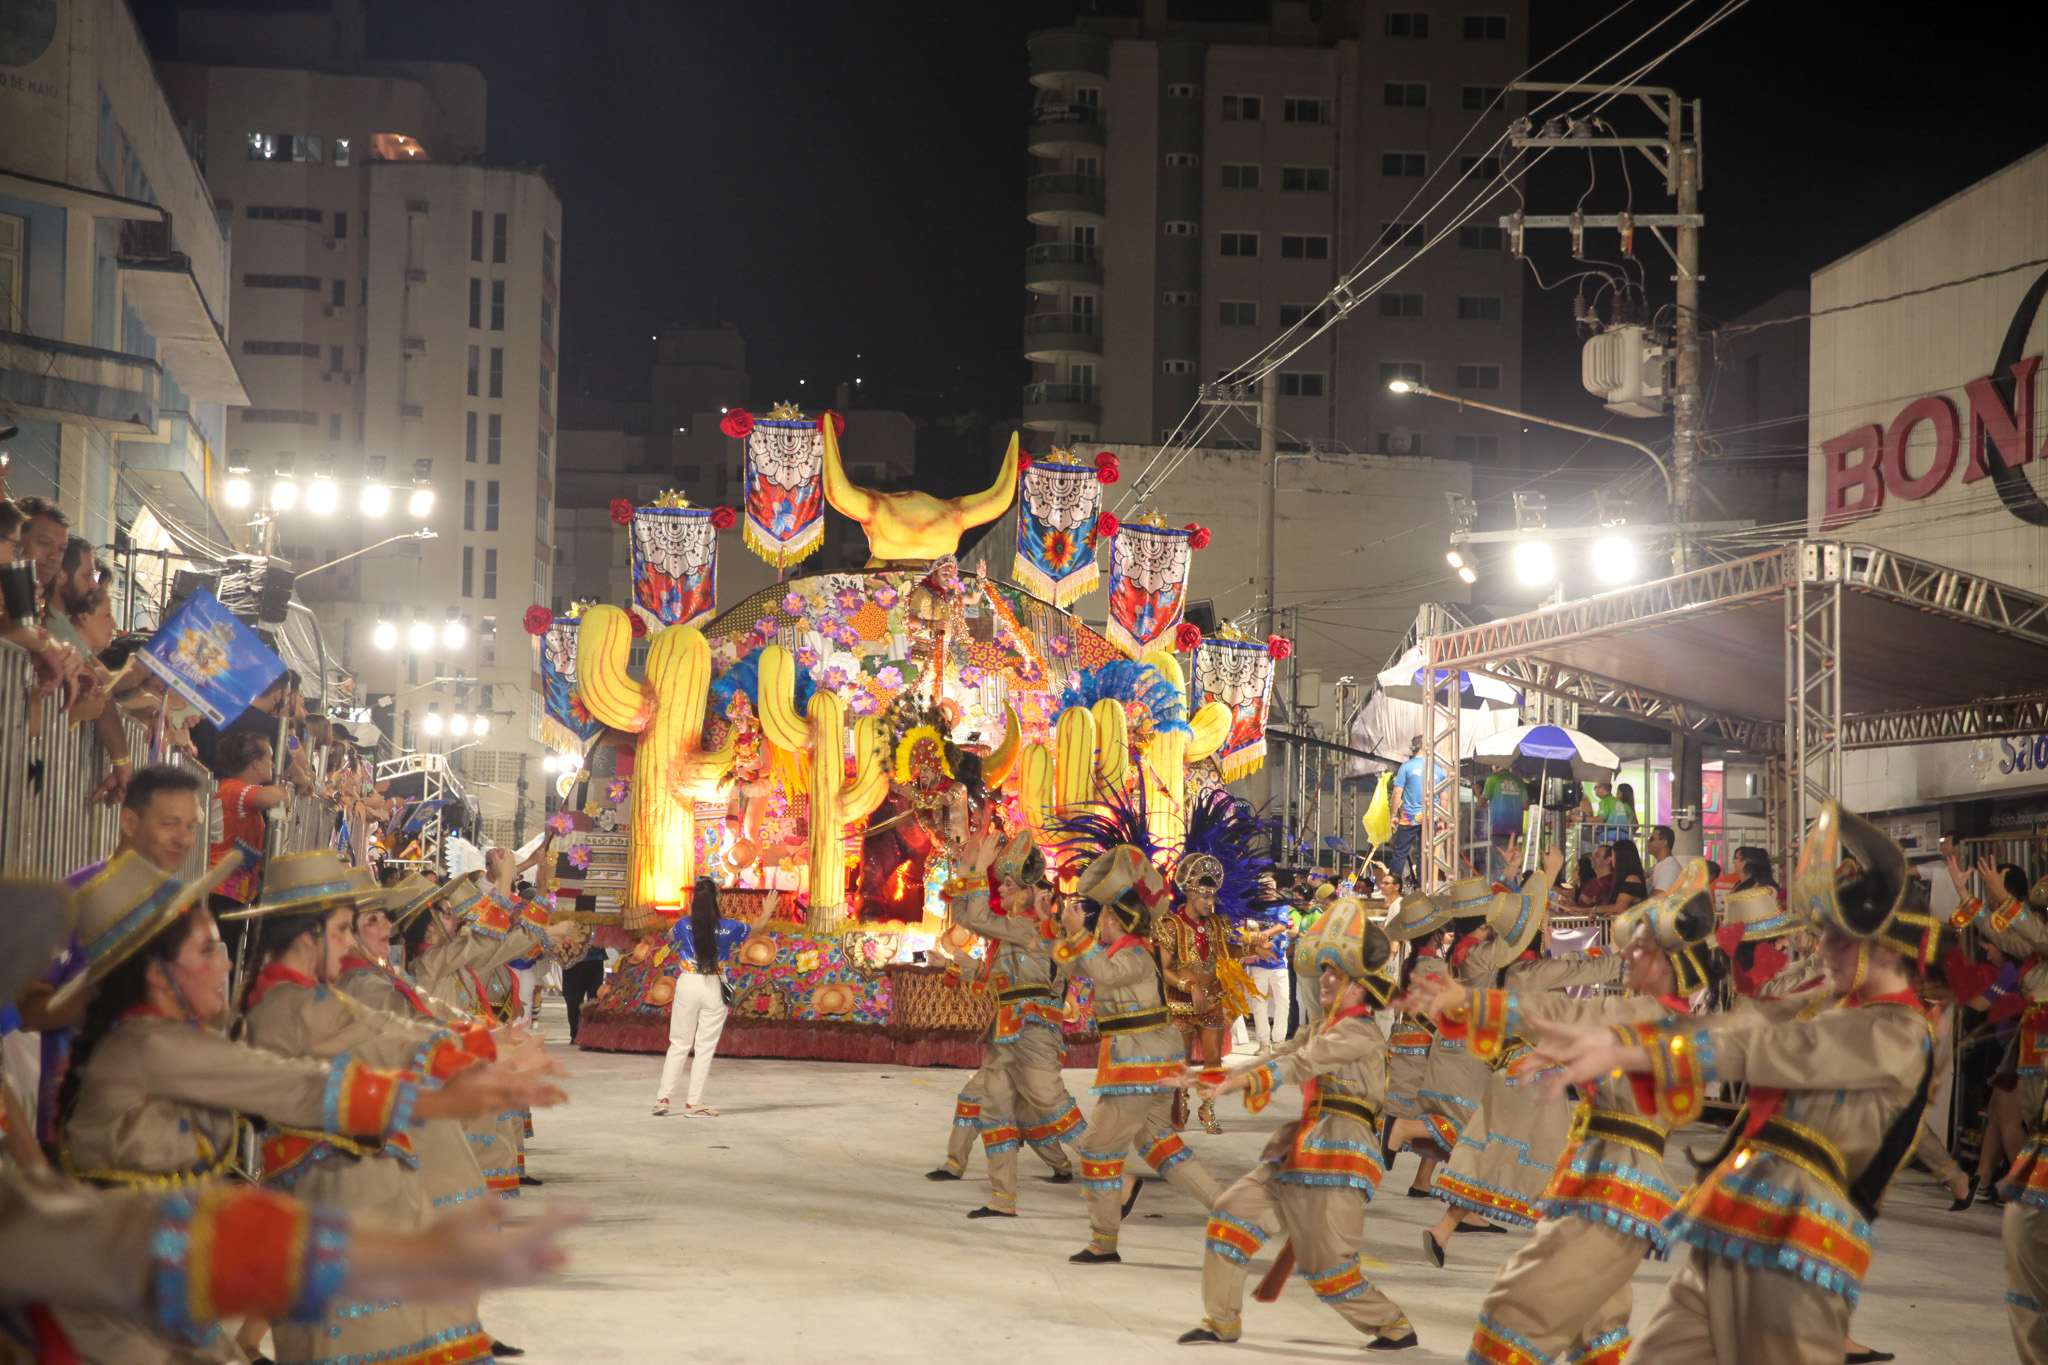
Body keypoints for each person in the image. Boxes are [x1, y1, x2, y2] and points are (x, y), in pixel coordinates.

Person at [50, 851, 550, 1365]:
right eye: (207, 951)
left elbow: (373, 1035)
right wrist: (445, 1076)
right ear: (157, 974)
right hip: (130, 1287)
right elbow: (293, 1085)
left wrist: (471, 1047)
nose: (225, 964)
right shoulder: (154, 1045)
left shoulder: (192, 1030)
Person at [1529, 800, 1941, 1365]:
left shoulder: (1898, 1031)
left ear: (1881, 949)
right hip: (1728, 1229)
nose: (1820, 949)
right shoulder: (1823, 998)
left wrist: (1644, 1050)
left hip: (1793, 1250)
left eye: (1837, 939)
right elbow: (1747, 1022)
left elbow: (1766, 1048)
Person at [1402, 863, 1724, 1365]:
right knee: (1596, 1325)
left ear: (1662, 962)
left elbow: (1572, 1015)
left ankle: (1449, 1212)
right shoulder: (1647, 1010)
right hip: (1599, 1176)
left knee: (1520, 1314)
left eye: (1636, 950)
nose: (1625, 958)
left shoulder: (1646, 1014)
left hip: (1614, 1186)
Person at [1177, 899, 1419, 1352]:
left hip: (1339, 1153)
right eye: (1323, 970)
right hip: (1300, 1148)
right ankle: (1221, 1321)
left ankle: (1392, 1325)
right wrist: (1213, 1076)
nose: (1325, 979)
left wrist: (1229, 1087)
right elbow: (1279, 1056)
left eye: (1336, 973)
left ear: (1360, 987)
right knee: (1231, 1213)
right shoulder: (1320, 1028)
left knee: (1328, 1268)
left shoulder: (1359, 1031)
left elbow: (1302, 1065)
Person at [19, 763, 206, 1148]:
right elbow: (29, 1011)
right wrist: (115, 991)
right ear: (129, 822)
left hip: (166, 1125)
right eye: (171, 823)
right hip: (86, 1124)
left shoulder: (181, 904)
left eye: (191, 826)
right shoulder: (74, 899)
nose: (184, 839)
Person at [1054, 844, 1224, 1264]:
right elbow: (1073, 963)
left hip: (1139, 1066)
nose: (1098, 923)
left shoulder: (1133, 956)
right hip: (1150, 1062)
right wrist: (1054, 923)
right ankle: (1232, 1208)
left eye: (1104, 917)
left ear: (1117, 921)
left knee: (1096, 1150)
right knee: (1158, 1143)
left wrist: (1076, 934)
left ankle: (1103, 1240)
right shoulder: (1116, 951)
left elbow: (1100, 969)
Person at [941, 822, 1088, 1217]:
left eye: (1007, 885)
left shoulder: (1030, 929)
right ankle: (1002, 1197)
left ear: (1028, 893)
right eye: (1000, 883)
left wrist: (974, 871)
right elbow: (970, 918)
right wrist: (965, 871)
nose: (1000, 890)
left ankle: (1113, 1172)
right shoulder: (1011, 933)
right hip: (1007, 1033)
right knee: (994, 1112)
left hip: (1034, 1032)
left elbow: (976, 917)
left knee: (1051, 1105)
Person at [653, 876, 776, 1117]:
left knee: (678, 1043)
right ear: (718, 899)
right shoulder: (729, 927)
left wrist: (688, 916)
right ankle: (694, 1102)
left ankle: (663, 1099)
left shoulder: (683, 924)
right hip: (715, 986)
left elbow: (670, 936)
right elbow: (757, 928)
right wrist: (767, 911)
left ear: (692, 900)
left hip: (688, 983)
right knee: (704, 1047)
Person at [209, 730, 291, 911]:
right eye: (269, 759)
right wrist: (284, 795)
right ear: (255, 764)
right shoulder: (234, 790)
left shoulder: (234, 790)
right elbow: (277, 796)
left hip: (233, 891)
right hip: (222, 891)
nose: (274, 765)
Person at [1387, 737, 1444, 887]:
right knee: (1425, 853)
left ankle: (1392, 886)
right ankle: (1421, 888)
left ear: (1414, 748)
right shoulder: (1439, 769)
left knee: (1400, 853)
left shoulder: (1406, 766)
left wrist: (1393, 814)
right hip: (1431, 817)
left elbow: (1397, 792)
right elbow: (1445, 798)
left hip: (1409, 817)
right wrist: (1443, 820)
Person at [1583, 838, 1648, 918]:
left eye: (1613, 855)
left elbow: (1619, 907)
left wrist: (1595, 909)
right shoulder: (1626, 879)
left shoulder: (1633, 879)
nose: (1612, 859)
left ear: (1620, 857)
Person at [1646, 824, 1681, 893]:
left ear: (1664, 842)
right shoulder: (1658, 866)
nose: (1648, 842)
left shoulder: (1670, 868)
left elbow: (1659, 897)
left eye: (1652, 839)